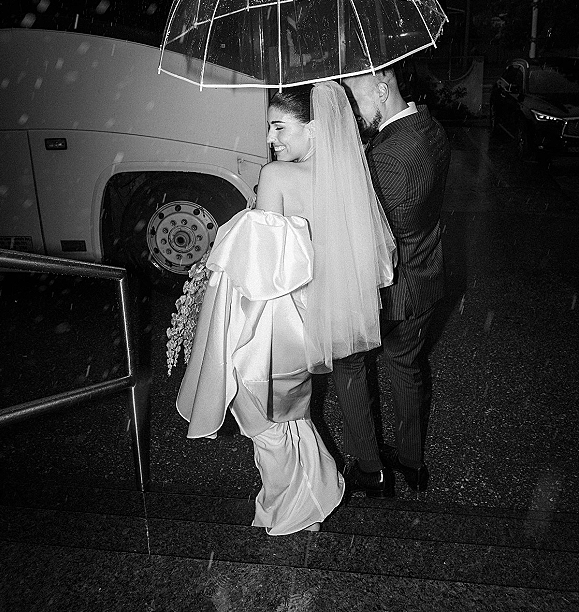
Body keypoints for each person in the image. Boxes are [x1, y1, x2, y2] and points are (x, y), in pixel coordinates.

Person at [175, 81, 396, 534]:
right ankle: (313, 496)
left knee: (262, 420)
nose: (270, 138)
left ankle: (292, 506)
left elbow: (261, 271)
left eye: (280, 127)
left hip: (273, 324)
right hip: (313, 323)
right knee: (290, 415)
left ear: (314, 128)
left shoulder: (276, 176)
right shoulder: (348, 179)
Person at [339, 67, 450, 493]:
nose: (352, 111)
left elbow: (364, 229)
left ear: (382, 91)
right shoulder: (431, 127)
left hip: (389, 289)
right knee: (406, 365)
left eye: (355, 100)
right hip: (425, 275)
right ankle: (412, 463)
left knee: (348, 362)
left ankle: (371, 469)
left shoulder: (386, 158)